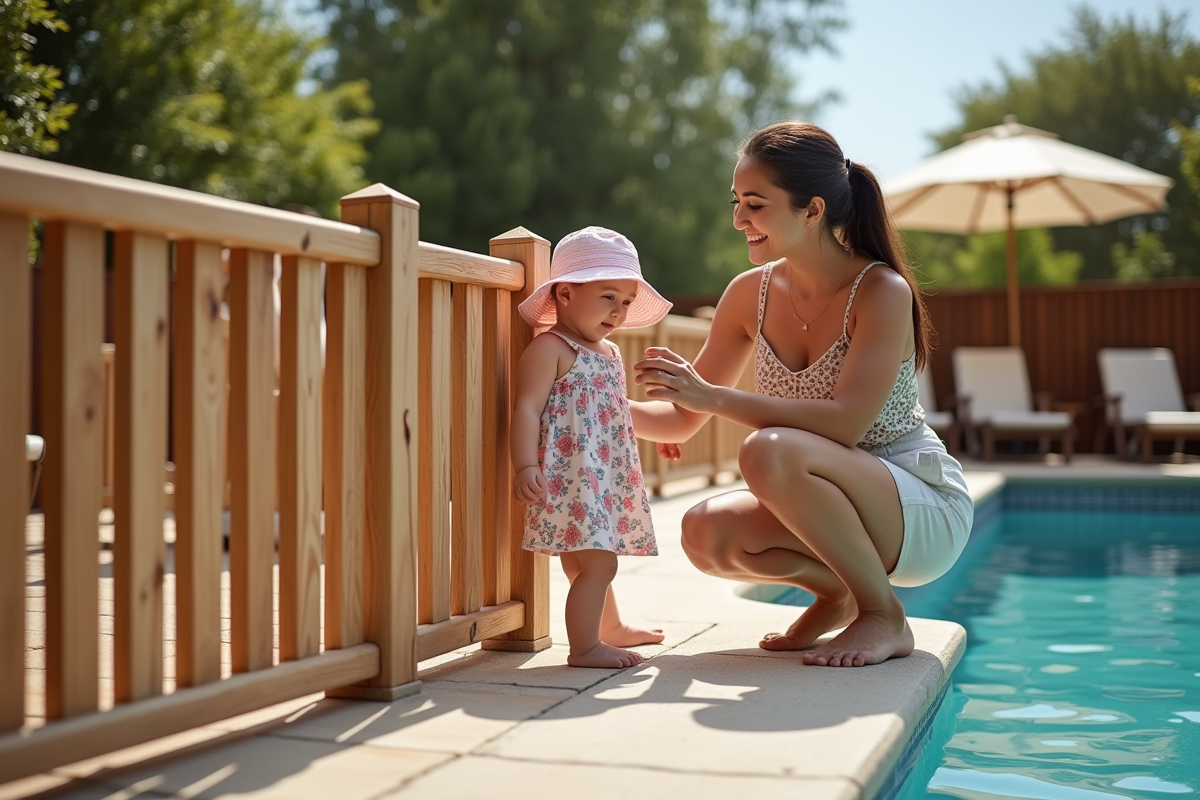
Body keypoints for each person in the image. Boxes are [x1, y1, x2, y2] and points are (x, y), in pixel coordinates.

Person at [631, 122, 974, 668]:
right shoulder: (748, 294)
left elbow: (845, 425)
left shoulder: (881, 290)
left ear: (812, 210)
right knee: (705, 532)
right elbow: (679, 419)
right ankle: (838, 594)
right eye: (737, 202)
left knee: (768, 449)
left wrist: (713, 398)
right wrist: (592, 405)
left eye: (755, 204)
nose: (739, 219)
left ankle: (883, 614)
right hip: (837, 504)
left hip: (918, 507)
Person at [512, 226, 674, 669]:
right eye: (608, 297)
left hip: (602, 475)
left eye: (627, 301)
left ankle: (610, 627)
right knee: (600, 564)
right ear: (565, 293)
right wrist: (524, 465)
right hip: (572, 479)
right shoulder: (551, 348)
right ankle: (584, 647)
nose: (619, 311)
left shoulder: (609, 352)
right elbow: (526, 408)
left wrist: (662, 433)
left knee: (585, 565)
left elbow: (613, 410)